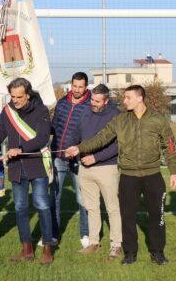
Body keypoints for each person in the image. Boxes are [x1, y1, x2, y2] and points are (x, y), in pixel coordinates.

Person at [66, 85, 176, 266]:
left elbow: (169, 145)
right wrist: (80, 148)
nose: (124, 101)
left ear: (139, 98)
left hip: (153, 175)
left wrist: (173, 171)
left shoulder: (158, 119)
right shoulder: (120, 120)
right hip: (128, 176)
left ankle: (157, 252)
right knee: (127, 216)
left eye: (128, 98)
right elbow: (101, 138)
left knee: (157, 216)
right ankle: (130, 252)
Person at [0, 77, 54, 265]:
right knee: (20, 208)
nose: (15, 101)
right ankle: (27, 248)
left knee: (42, 205)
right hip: (16, 168)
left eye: (19, 97)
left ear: (27, 95)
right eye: (12, 96)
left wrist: (21, 149)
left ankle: (47, 248)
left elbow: (43, 138)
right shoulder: (8, 111)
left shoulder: (41, 110)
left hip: (36, 165)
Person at [72, 84, 122, 258]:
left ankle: (116, 245)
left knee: (112, 207)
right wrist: (72, 148)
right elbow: (75, 134)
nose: (93, 103)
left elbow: (118, 144)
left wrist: (96, 157)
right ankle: (94, 242)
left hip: (107, 167)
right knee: (91, 208)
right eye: (92, 99)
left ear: (106, 101)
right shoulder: (85, 112)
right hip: (85, 168)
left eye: (97, 101)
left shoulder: (116, 115)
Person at [50, 72, 91, 247]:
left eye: (80, 87)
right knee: (54, 197)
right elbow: (54, 126)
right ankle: (53, 235)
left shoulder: (91, 105)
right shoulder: (62, 102)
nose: (76, 90)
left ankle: (85, 234)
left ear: (86, 87)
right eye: (74, 86)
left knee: (82, 199)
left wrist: (80, 150)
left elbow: (91, 132)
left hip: (78, 159)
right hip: (58, 157)